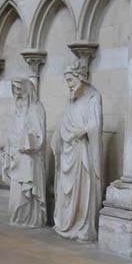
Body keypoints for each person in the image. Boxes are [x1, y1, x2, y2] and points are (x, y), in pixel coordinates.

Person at [51, 60, 103, 242]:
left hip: (82, 151)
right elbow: (64, 120)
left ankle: (82, 225)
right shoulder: (72, 100)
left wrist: (79, 132)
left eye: (71, 80)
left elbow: (95, 124)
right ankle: (67, 222)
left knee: (82, 188)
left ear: (80, 78)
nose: (69, 85)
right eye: (67, 81)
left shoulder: (93, 97)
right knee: (67, 190)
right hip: (68, 152)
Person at [3, 79, 47, 227]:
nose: (18, 96)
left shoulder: (36, 108)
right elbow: (11, 131)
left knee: (28, 189)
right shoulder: (17, 111)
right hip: (17, 158)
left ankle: (31, 219)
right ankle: (19, 218)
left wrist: (29, 142)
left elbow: (40, 135)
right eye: (15, 92)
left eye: (20, 91)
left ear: (28, 90)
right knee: (17, 193)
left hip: (30, 158)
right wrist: (8, 145)